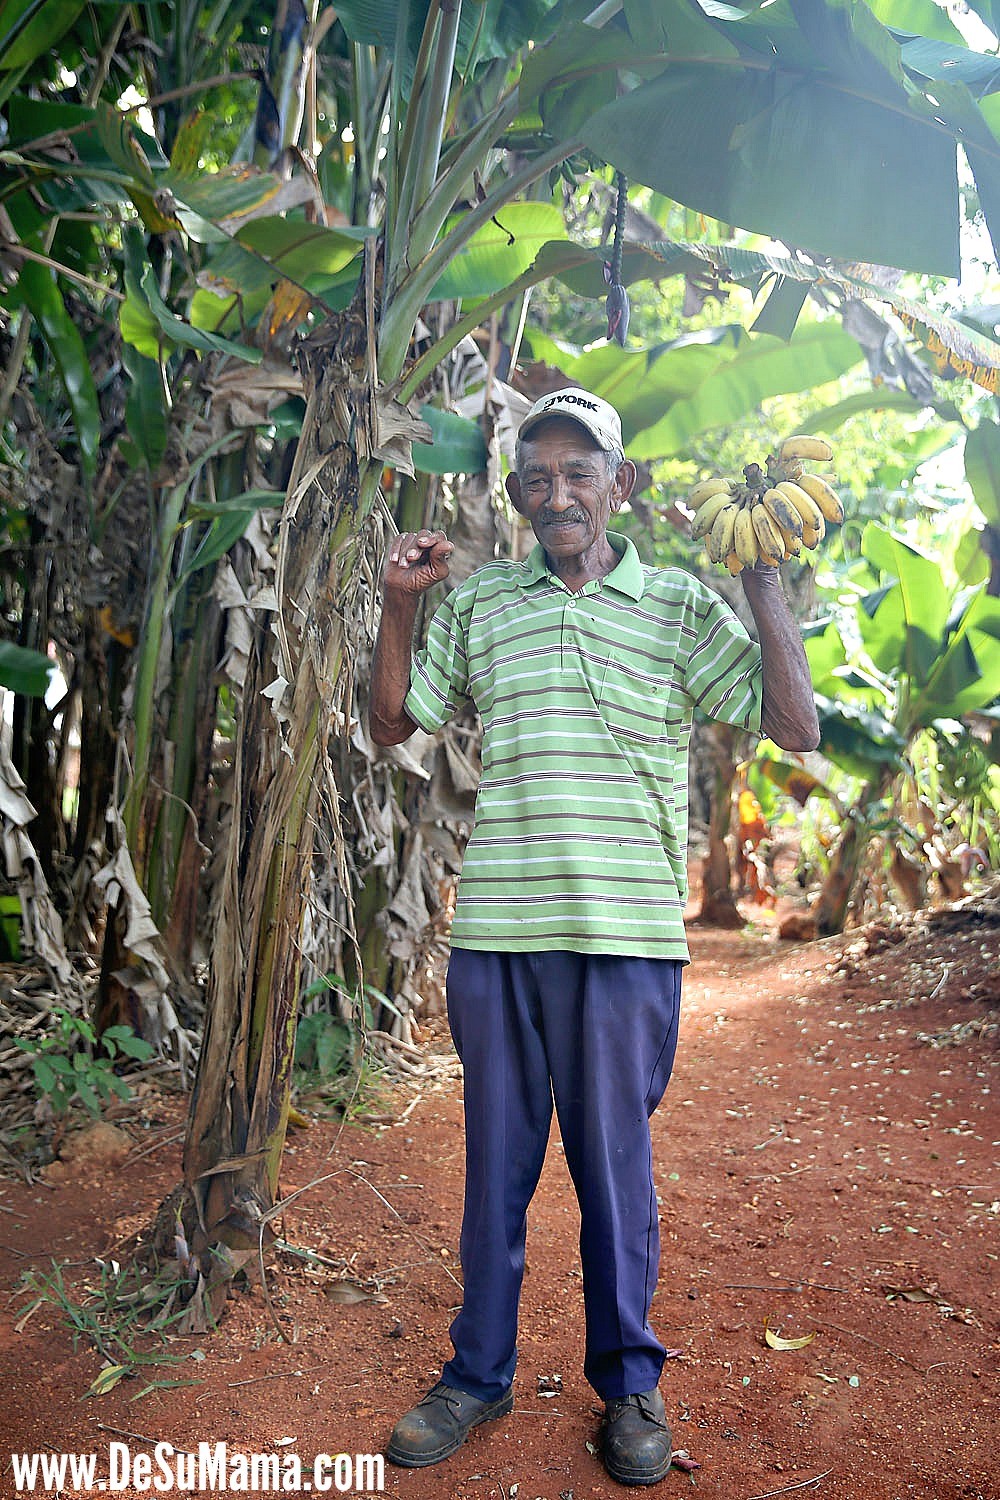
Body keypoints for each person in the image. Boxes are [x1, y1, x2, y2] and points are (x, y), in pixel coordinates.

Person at [369, 387, 819, 1487]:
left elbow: (797, 727)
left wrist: (762, 588)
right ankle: (476, 1374)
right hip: (499, 935)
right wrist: (397, 606)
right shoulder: (482, 606)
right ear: (519, 501)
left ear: (621, 485)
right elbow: (390, 726)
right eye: (537, 479)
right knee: (495, 1169)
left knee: (614, 1172)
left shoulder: (673, 606)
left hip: (623, 940)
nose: (558, 493)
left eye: (580, 473)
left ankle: (628, 1384)